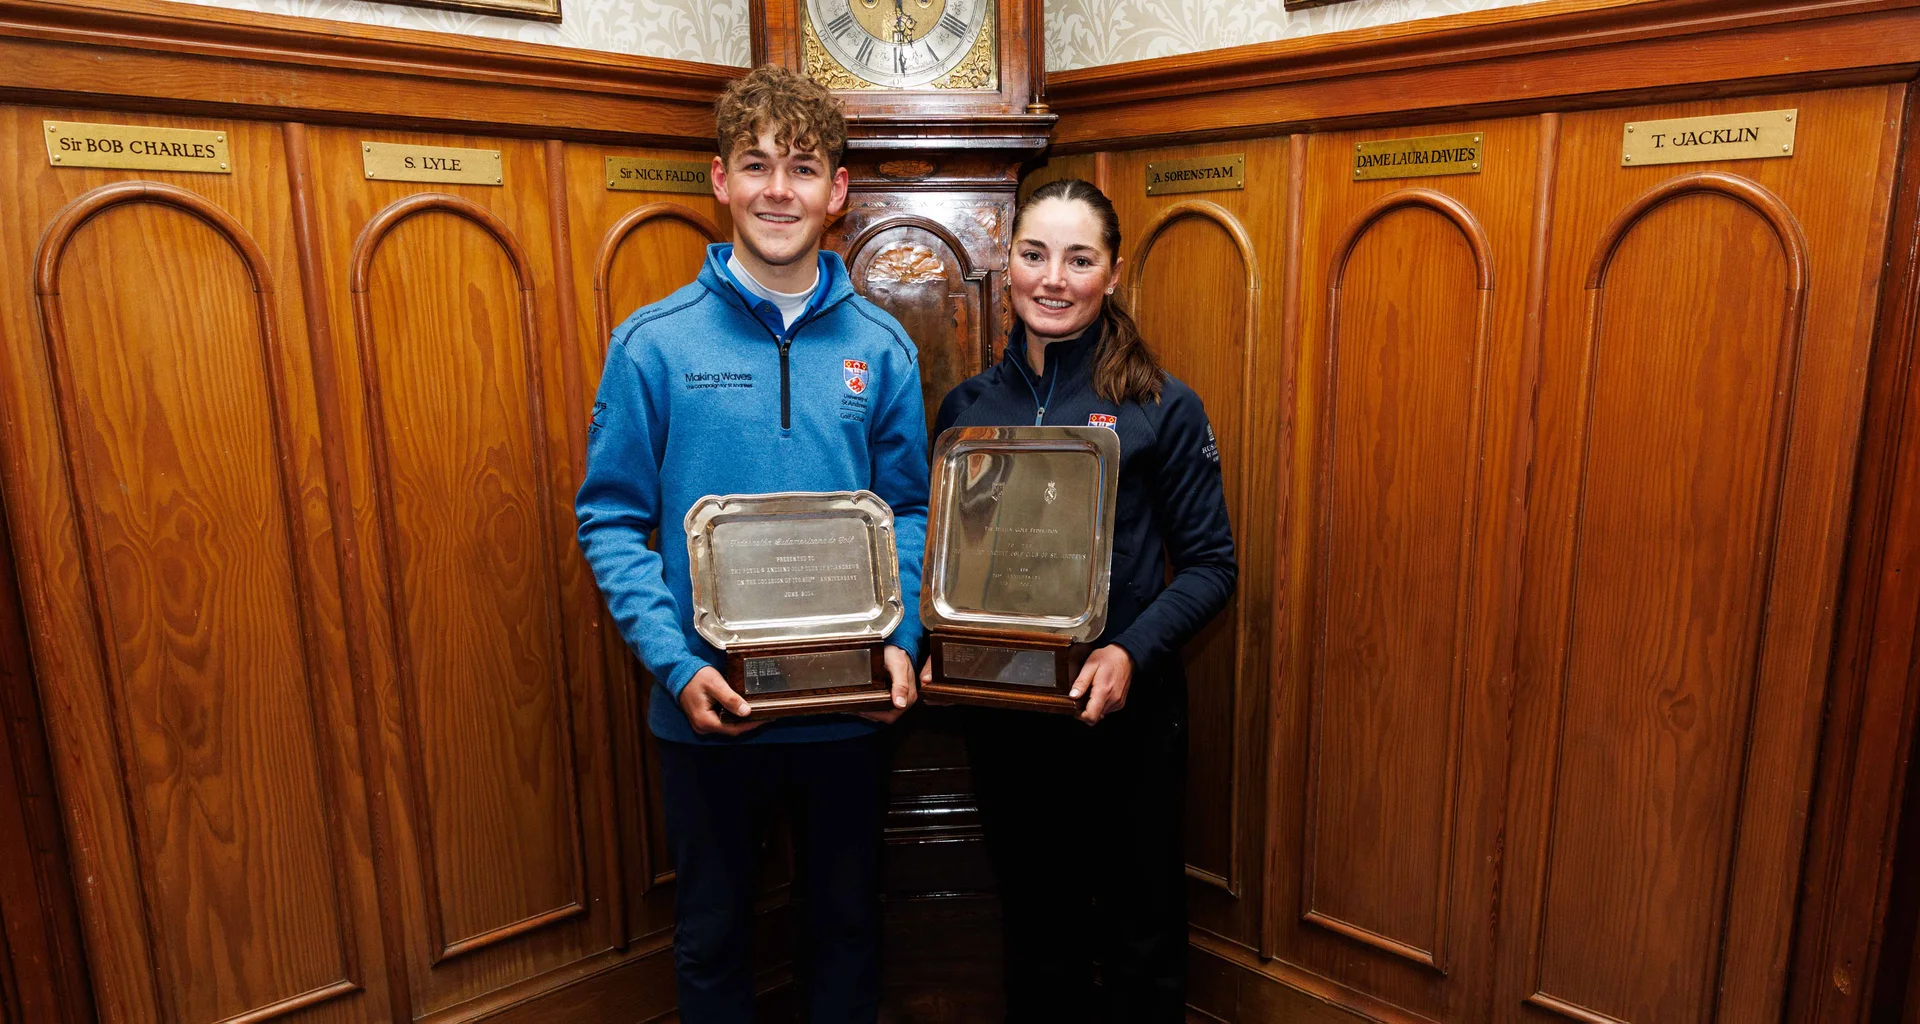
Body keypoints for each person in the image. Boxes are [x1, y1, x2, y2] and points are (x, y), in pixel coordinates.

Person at [576, 65, 928, 1023]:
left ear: (837, 192)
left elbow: (911, 510)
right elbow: (608, 520)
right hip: (708, 708)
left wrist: (899, 645)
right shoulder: (651, 343)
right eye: (757, 164)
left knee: (848, 933)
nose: (781, 188)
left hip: (847, 709)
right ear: (720, 181)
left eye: (804, 167)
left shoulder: (884, 348)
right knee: (714, 939)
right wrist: (673, 664)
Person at [925, 178, 1237, 1022]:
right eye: (1034, 254)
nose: (1052, 279)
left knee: (1141, 937)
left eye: (1079, 258)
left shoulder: (1161, 406)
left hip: (1125, 717)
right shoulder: (966, 410)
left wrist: (1129, 650)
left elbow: (1212, 565)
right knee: (1036, 933)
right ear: (1009, 260)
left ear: (1113, 271)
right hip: (1007, 718)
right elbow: (954, 566)